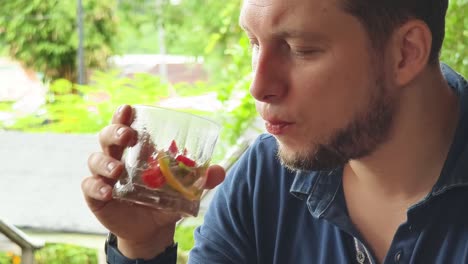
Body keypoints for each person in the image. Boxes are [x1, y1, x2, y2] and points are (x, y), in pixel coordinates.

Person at [82, 0, 468, 263]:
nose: (258, 85)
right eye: (253, 42)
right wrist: (144, 245)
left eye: (300, 48)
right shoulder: (264, 178)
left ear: (406, 52)